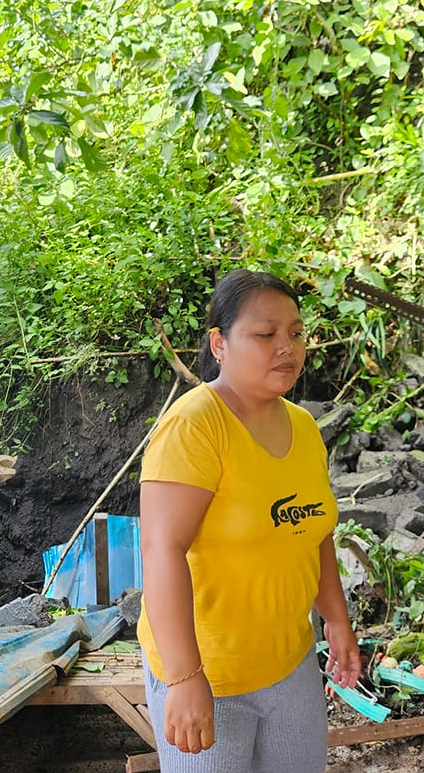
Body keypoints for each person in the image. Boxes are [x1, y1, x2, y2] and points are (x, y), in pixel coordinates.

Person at [136, 269, 361, 772]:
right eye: (265, 334)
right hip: (210, 675)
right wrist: (184, 678)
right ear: (219, 343)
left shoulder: (304, 428)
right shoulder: (195, 426)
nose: (287, 347)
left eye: (296, 333)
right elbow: (159, 550)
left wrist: (337, 622)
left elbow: (314, 534)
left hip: (290, 665)